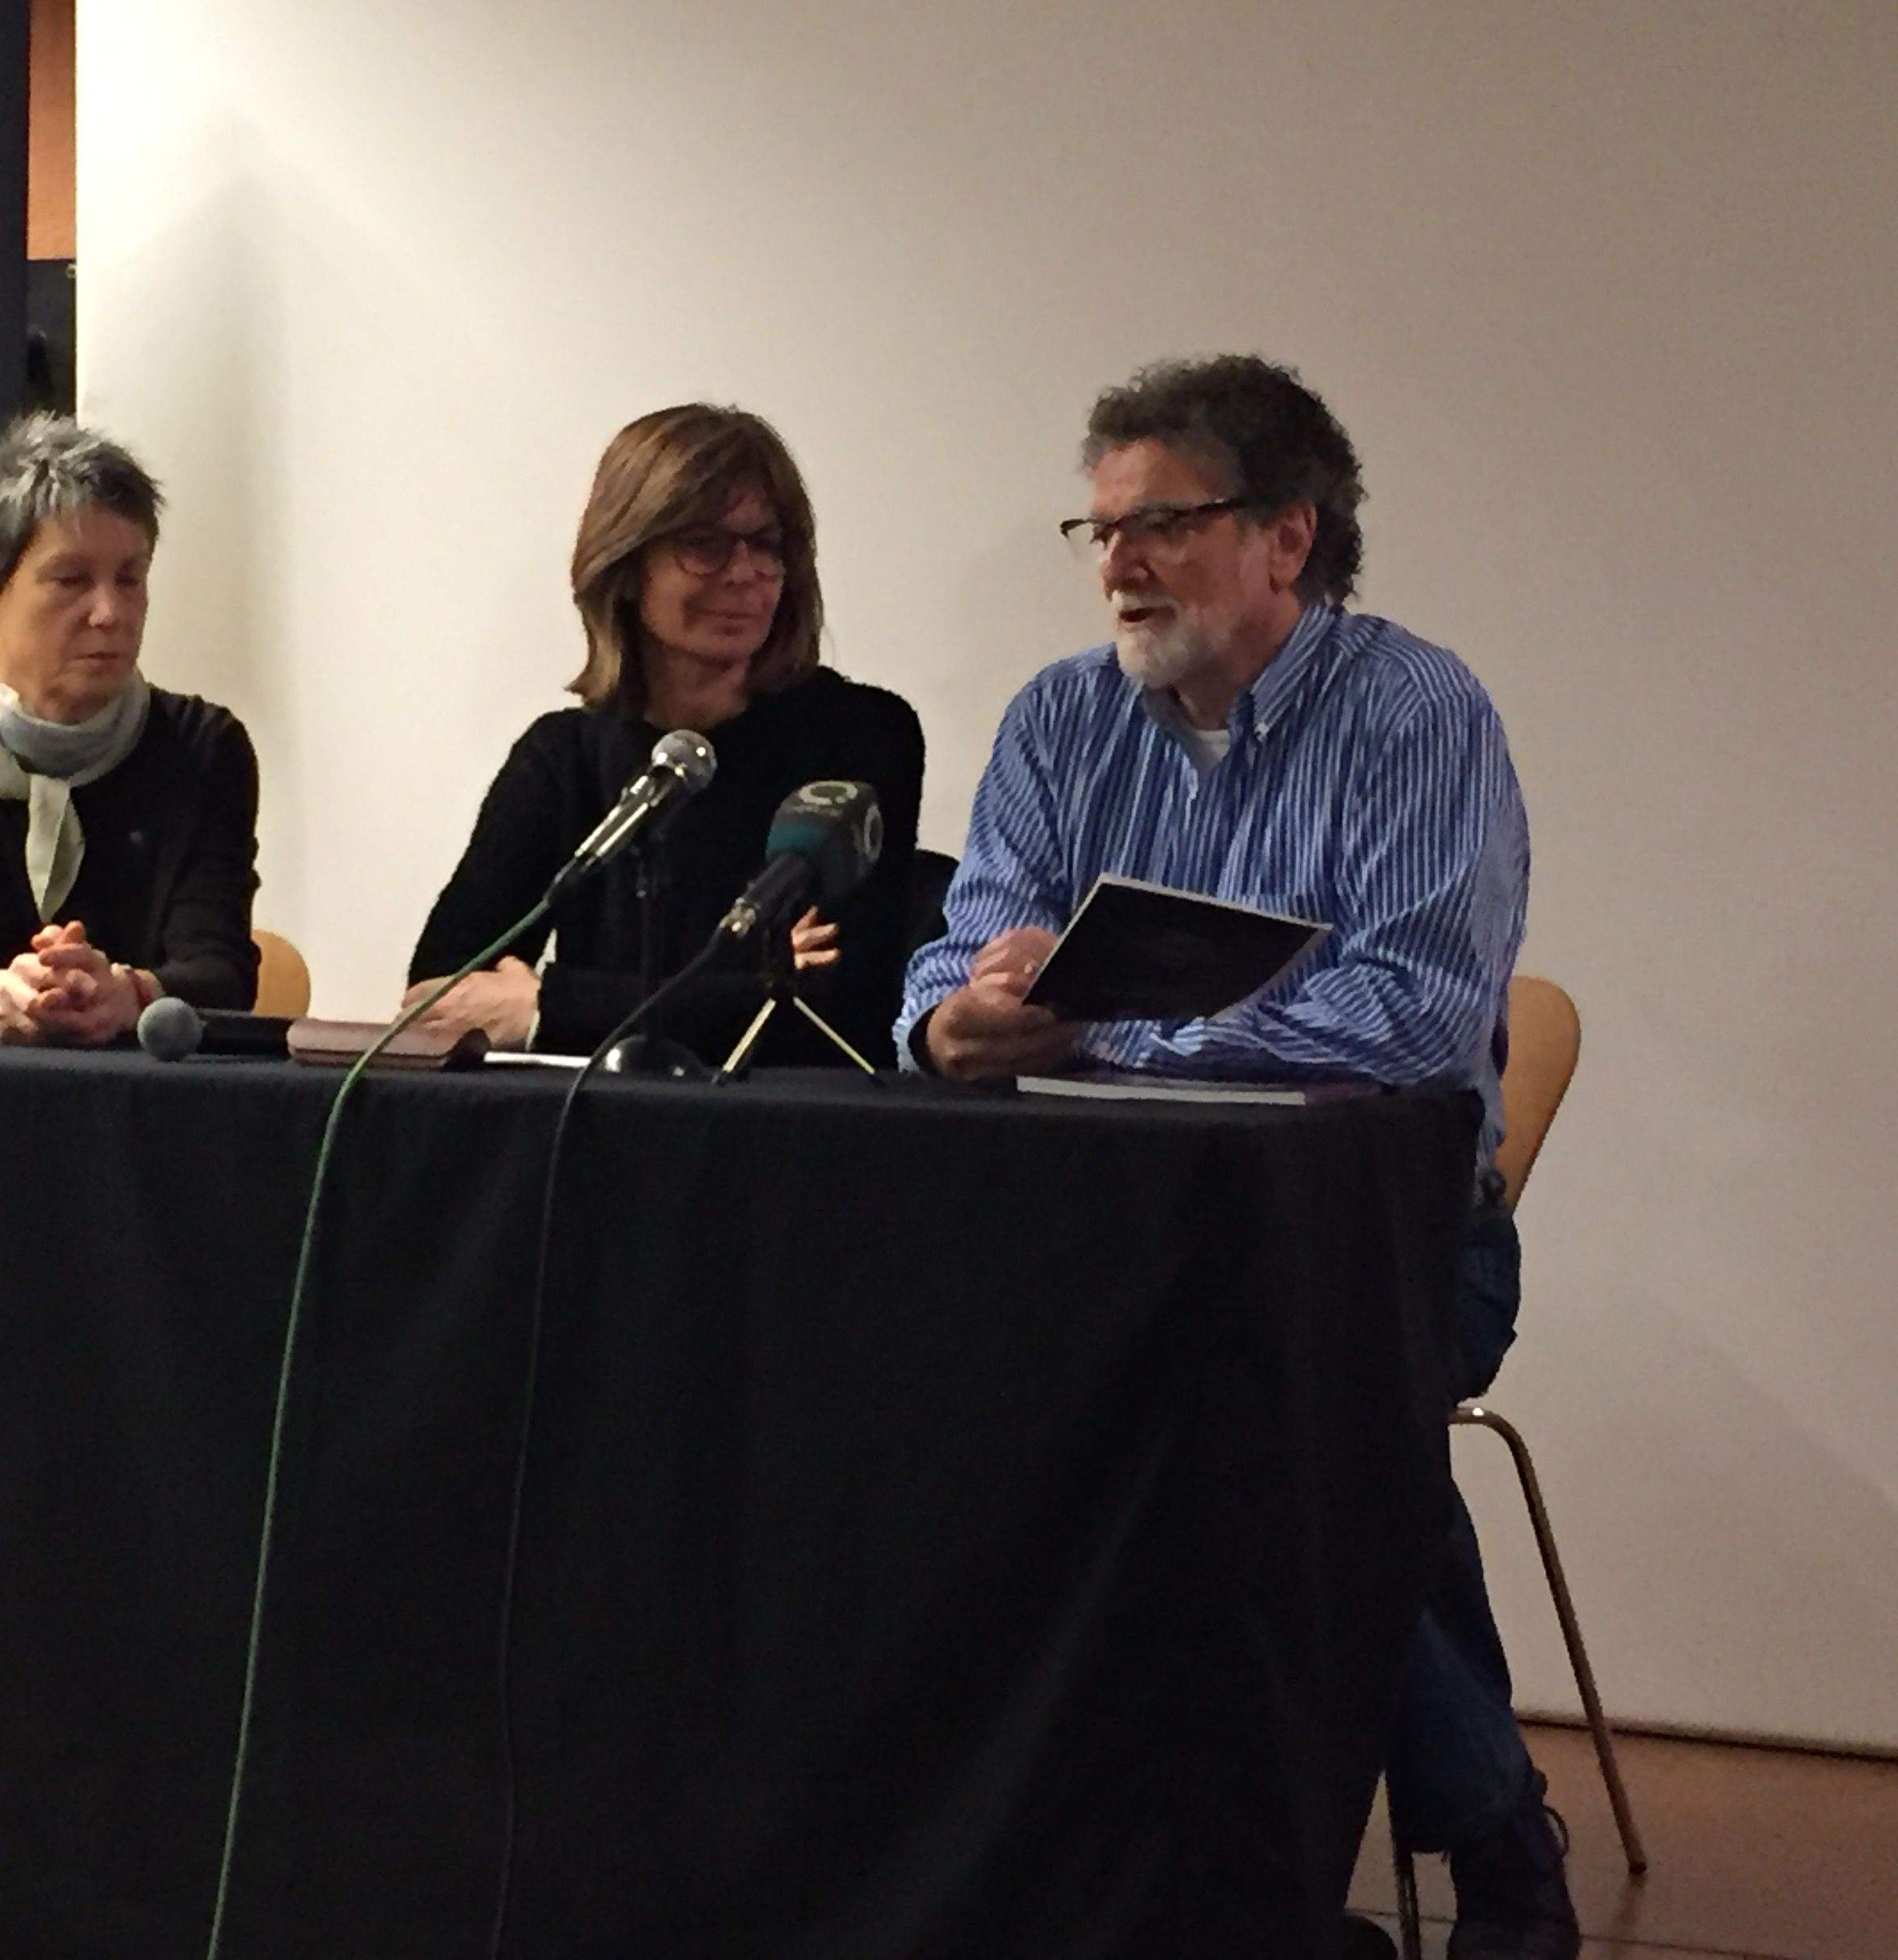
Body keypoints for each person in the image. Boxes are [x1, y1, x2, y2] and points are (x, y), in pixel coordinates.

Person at [900, 358, 1566, 1958]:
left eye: (1165, 524)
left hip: (1397, 1242)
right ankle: (1131, 1867)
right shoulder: (1061, 718)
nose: (1120, 560)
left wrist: (1112, 1034)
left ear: (1287, 537)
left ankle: (1459, 1842)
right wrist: (957, 1024)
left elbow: (1411, 1011)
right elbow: (964, 954)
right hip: (1101, 1236)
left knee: (1275, 1411)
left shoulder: (1416, 711)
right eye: (1103, 526)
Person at [405, 404, 923, 1066]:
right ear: (626, 563)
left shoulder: (862, 737)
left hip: (787, 1141)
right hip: (602, 1137)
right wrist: (744, 983)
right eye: (705, 545)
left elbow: (837, 1014)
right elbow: (438, 998)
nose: (744, 574)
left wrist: (548, 1007)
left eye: (767, 545)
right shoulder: (564, 757)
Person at [0, 413, 259, 1041]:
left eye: (131, 577)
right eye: (71, 580)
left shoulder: (205, 749)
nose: (110, 612)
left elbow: (221, 972)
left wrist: (131, 993)